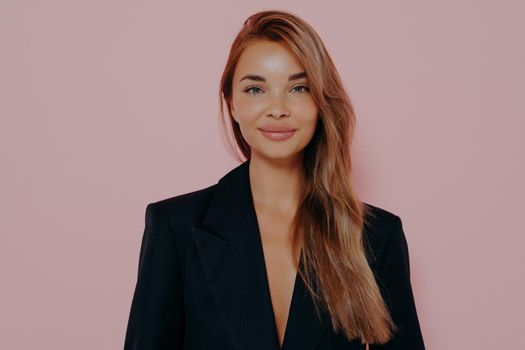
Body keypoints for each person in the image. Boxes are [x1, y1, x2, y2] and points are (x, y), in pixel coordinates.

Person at [124, 9, 425, 350]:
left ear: (321, 102)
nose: (277, 108)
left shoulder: (376, 237)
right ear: (232, 103)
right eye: (255, 89)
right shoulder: (175, 227)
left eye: (298, 88)